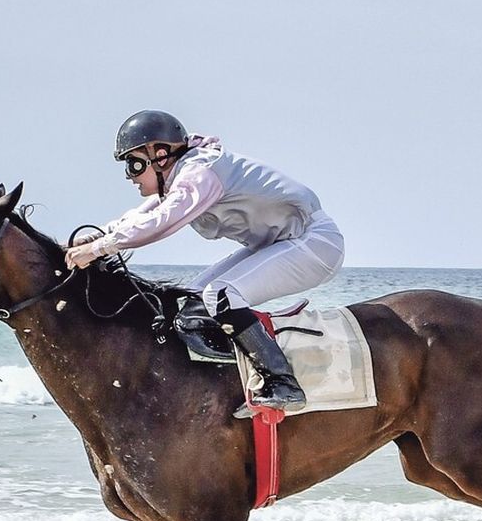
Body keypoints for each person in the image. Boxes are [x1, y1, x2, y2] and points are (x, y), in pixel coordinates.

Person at [66, 111, 343, 413]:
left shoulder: (200, 172)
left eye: (134, 164)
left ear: (160, 156)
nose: (130, 176)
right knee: (194, 300)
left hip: (314, 242)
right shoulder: (183, 174)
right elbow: (144, 214)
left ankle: (283, 384)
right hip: (283, 243)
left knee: (220, 294)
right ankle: (237, 378)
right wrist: (96, 237)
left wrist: (101, 248)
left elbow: (162, 220)